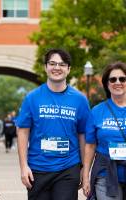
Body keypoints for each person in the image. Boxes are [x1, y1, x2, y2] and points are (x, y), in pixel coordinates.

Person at [16, 48, 91, 200]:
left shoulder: (80, 100)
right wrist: (24, 166)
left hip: (68, 168)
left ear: (68, 69)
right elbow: (23, 132)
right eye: (52, 63)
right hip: (38, 168)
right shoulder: (32, 98)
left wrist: (84, 169)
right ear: (45, 67)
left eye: (62, 64)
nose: (57, 68)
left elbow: (83, 135)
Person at [83, 62, 126, 200]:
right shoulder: (97, 111)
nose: (117, 82)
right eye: (112, 79)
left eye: (122, 79)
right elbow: (90, 146)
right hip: (105, 175)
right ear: (107, 84)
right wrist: (85, 176)